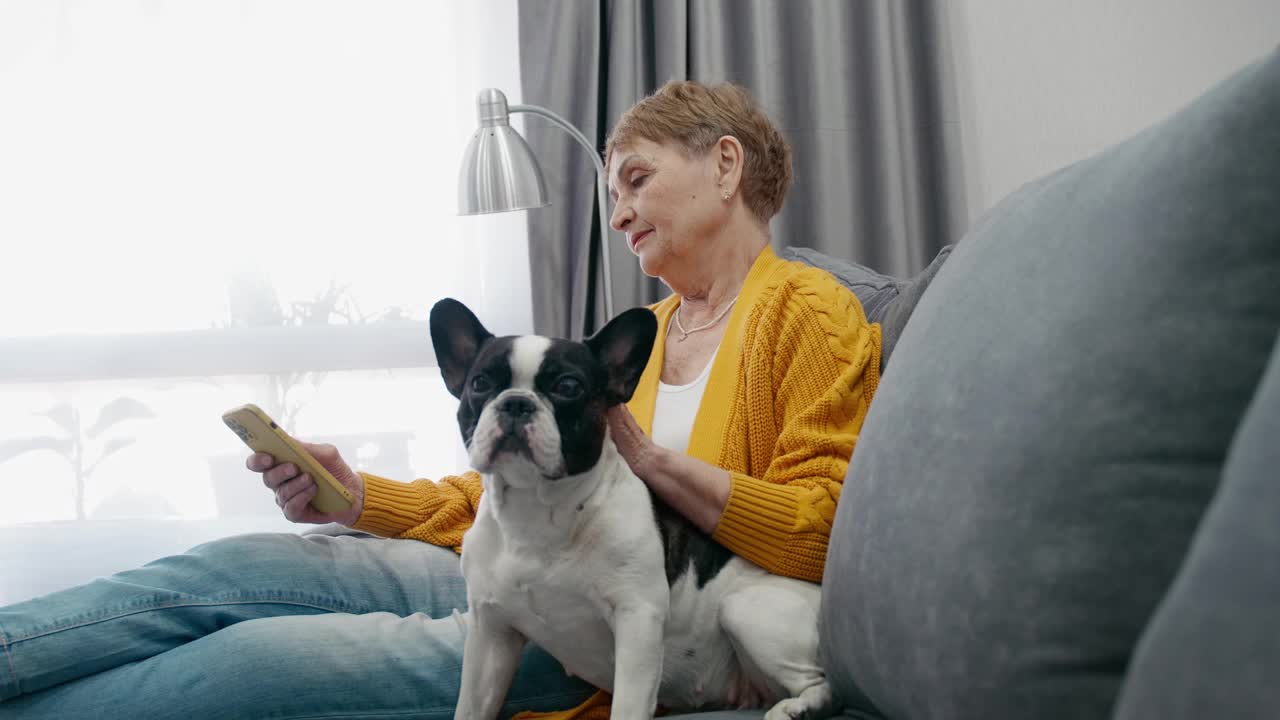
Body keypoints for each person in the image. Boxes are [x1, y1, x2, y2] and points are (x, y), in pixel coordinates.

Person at [0, 80, 881, 720]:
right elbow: (508, 485)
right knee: (235, 569)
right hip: (505, 558)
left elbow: (820, 531)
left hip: (591, 632)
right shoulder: (643, 330)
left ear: (725, 166)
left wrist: (650, 461)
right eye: (612, 193)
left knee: (247, 662)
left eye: (636, 181)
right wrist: (358, 499)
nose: (618, 214)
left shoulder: (806, 312)